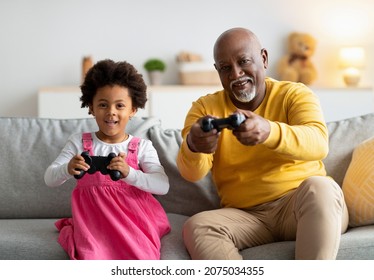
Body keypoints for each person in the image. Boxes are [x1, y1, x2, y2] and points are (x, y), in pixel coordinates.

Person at [176, 27, 349, 260]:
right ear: (217, 71)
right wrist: (195, 145)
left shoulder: (293, 94)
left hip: (300, 205)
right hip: (246, 217)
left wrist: (270, 131)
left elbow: (319, 143)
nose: (236, 74)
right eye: (225, 68)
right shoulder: (204, 108)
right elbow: (192, 173)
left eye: (243, 61)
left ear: (264, 58)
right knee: (197, 226)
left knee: (321, 187)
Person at [44, 59, 170, 260]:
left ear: (133, 109)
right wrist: (67, 169)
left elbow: (162, 186)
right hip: (94, 225)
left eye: (120, 105)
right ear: (91, 107)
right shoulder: (78, 143)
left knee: (142, 258)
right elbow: (49, 178)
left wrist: (130, 173)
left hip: (135, 223)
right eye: (103, 104)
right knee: (91, 258)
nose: (111, 111)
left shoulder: (141, 147)